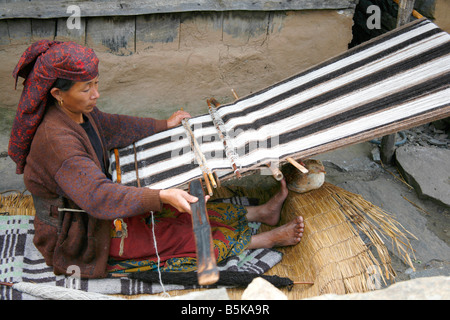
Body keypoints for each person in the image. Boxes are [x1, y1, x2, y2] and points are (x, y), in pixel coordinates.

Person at [8, 40, 304, 279]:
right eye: (87, 88)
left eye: (96, 84)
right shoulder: (55, 139)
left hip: (95, 213)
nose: (96, 94)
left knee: (180, 211)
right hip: (77, 235)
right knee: (174, 235)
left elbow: (113, 127)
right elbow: (97, 196)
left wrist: (164, 125)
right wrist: (160, 195)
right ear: (58, 93)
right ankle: (261, 241)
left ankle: (259, 214)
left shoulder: (77, 111)